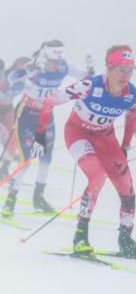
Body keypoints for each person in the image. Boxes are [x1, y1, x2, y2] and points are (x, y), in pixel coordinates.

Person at [35, 45, 136, 256]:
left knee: (127, 187)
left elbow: (132, 116)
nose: (125, 76)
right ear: (109, 68)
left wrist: (125, 144)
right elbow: (49, 101)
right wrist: (40, 135)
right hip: (78, 134)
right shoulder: (89, 86)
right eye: (121, 70)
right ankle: (80, 235)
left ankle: (125, 238)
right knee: (97, 176)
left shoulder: (131, 94)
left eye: (130, 70)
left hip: (106, 139)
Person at [1, 40, 90, 218]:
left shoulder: (64, 67)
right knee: (26, 160)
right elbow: (10, 79)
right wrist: (26, 70)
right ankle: (10, 200)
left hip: (46, 116)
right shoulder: (34, 67)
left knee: (46, 159)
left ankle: (38, 197)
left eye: (58, 61)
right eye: (52, 61)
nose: (56, 65)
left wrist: (91, 70)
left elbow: (85, 78)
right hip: (26, 116)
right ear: (44, 57)